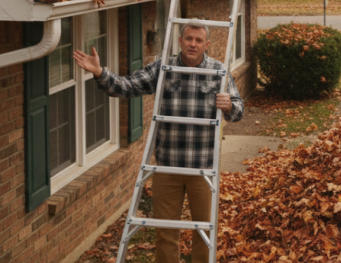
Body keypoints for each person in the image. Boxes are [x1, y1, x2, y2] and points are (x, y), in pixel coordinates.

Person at [73, 21, 243, 263]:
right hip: (166, 168)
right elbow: (128, 86)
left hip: (203, 169)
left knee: (204, 231)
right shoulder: (164, 68)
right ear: (181, 41)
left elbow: (239, 109)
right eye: (188, 39)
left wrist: (230, 105)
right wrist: (101, 73)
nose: (192, 44)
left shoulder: (219, 71)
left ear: (207, 44)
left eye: (198, 40)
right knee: (165, 232)